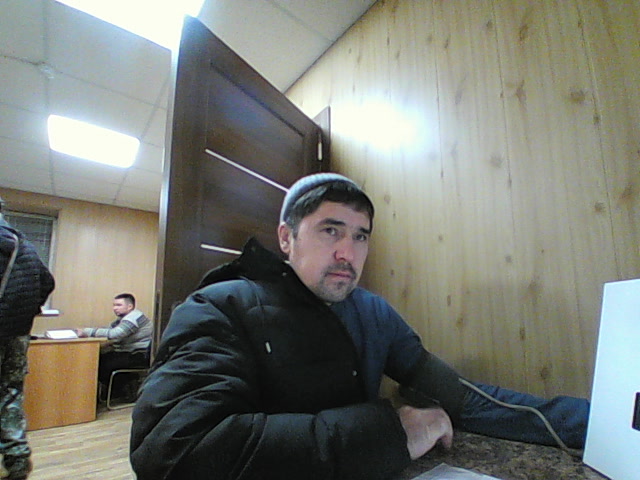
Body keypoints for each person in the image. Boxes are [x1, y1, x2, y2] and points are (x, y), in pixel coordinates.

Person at [130, 173, 589, 480]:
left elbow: (462, 397)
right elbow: (173, 452)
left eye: (360, 236)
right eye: (330, 230)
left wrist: (594, 425)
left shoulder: (373, 313)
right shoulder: (219, 307)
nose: (347, 253)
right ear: (287, 238)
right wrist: (391, 432)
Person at [0, 197, 55, 480]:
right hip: (18, 333)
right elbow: (48, 281)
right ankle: (18, 457)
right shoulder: (25, 244)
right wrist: (27, 312)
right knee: (11, 393)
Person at [76, 293, 152, 398]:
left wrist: (87, 331)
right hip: (130, 352)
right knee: (97, 359)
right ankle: (120, 389)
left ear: (130, 306)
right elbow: (110, 329)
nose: (115, 308)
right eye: (114, 305)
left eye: (118, 305)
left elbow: (115, 334)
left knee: (99, 364)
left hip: (138, 354)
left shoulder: (133, 317)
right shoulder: (124, 318)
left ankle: (124, 389)